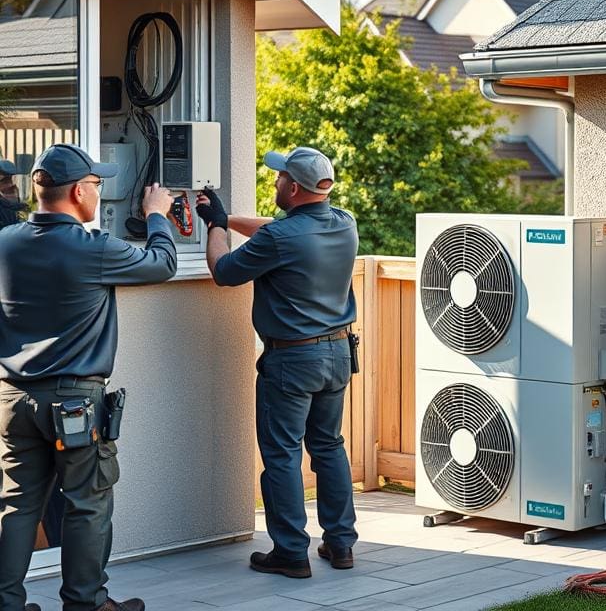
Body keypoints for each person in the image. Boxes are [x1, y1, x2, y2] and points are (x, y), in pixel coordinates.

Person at [0, 144, 177, 611]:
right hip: (73, 404)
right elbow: (162, 264)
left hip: (11, 399)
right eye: (97, 185)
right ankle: (86, 604)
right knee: (86, 503)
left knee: (16, 505)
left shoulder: (4, 242)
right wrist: (157, 215)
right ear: (79, 191)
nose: (98, 193)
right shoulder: (92, 249)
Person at [196, 146, 358, 579]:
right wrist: (228, 218)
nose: (274, 183)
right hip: (338, 354)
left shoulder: (280, 238)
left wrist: (215, 228)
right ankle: (341, 544)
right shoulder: (344, 223)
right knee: (328, 447)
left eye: (279, 177)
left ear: (292, 186)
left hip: (292, 359)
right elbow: (279, 231)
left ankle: (290, 552)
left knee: (283, 454)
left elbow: (224, 271)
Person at [0, 160, 27, 229]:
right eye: (5, 181)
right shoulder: (4, 212)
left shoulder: (19, 209)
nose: (11, 185)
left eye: (11, 180)